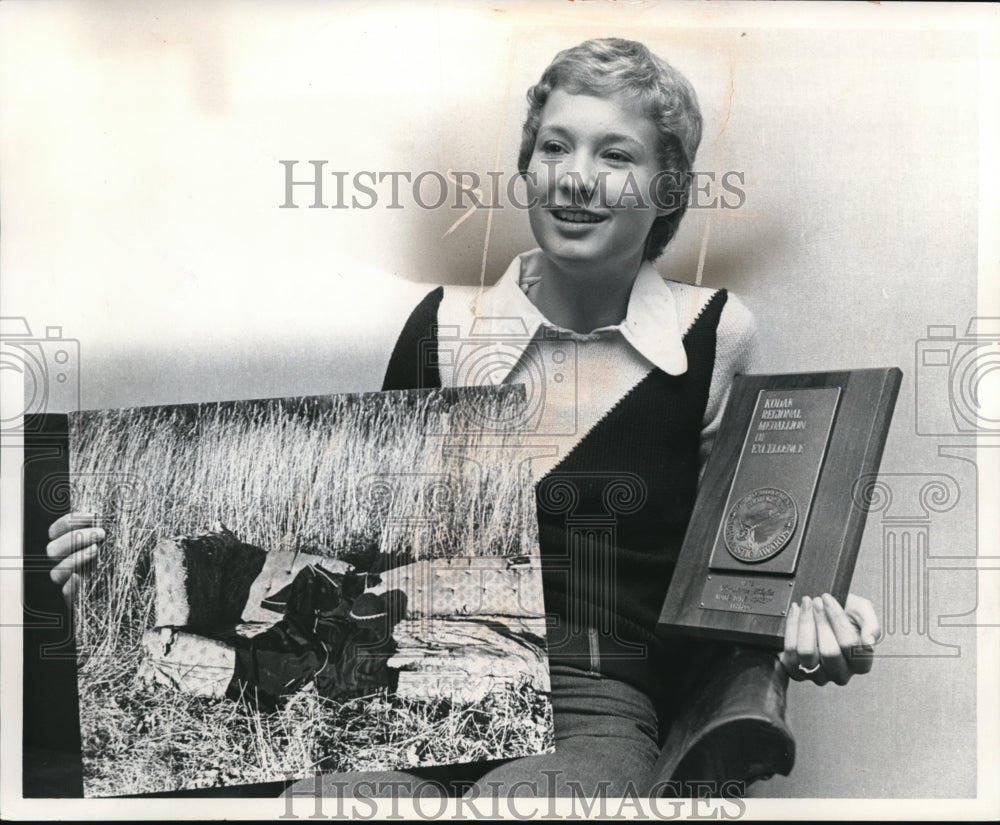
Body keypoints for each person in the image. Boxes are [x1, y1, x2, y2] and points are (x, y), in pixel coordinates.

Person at [47, 38, 880, 799]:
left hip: (596, 700)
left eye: (614, 153)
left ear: (667, 188)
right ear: (526, 167)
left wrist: (810, 626)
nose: (575, 176)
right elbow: (343, 547)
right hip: (405, 676)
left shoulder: (715, 336)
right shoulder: (443, 326)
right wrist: (121, 557)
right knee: (328, 807)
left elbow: (741, 561)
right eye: (554, 145)